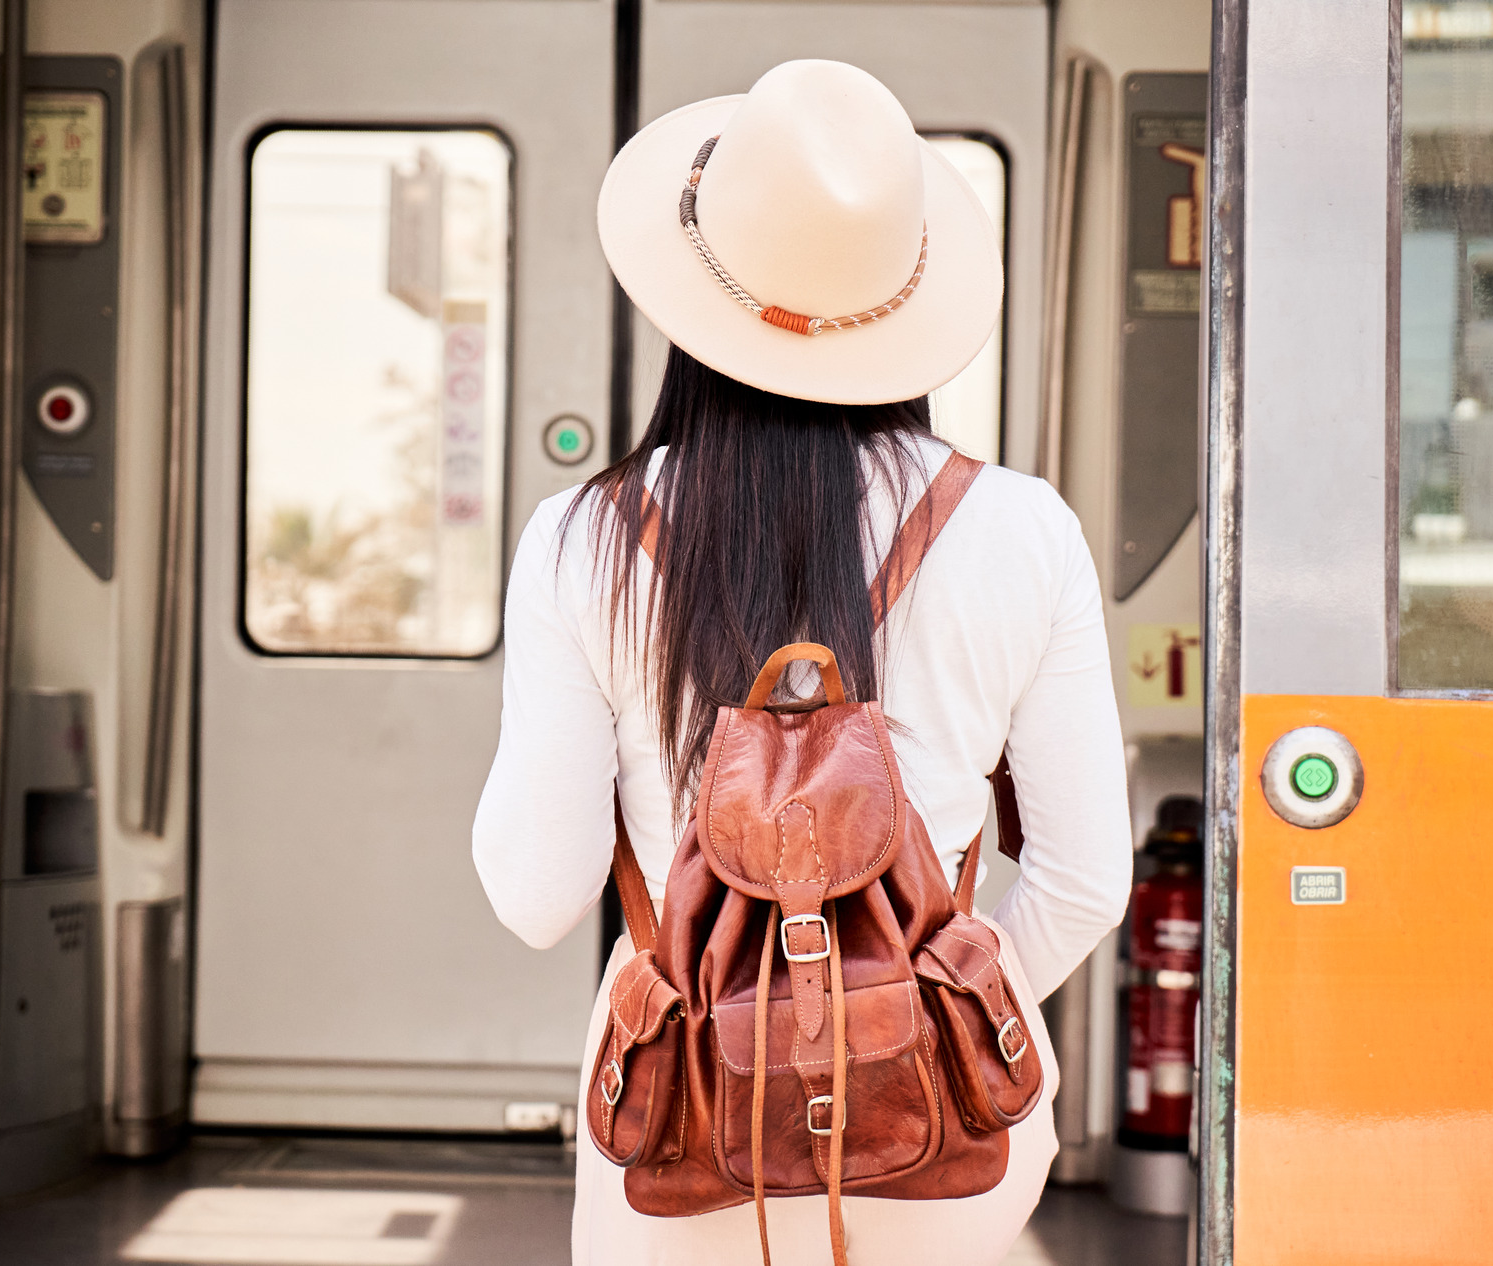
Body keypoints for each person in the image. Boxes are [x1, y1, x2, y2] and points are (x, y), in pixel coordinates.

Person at [473, 58, 1132, 1266]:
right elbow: (1087, 882)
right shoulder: (1024, 529)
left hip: (679, 1130)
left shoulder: (582, 540)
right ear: (905, 308)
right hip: (948, 1143)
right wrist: (920, 1015)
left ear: (688, 300)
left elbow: (534, 898)